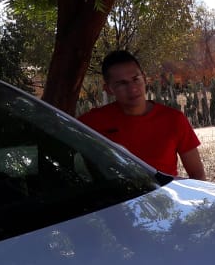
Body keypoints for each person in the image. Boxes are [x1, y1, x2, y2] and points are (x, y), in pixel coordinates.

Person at [79, 50, 206, 180]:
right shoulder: (92, 123)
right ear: (108, 89)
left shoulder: (173, 120)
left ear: (144, 79)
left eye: (136, 79)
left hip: (163, 192)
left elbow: (198, 175)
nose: (133, 88)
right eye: (122, 84)